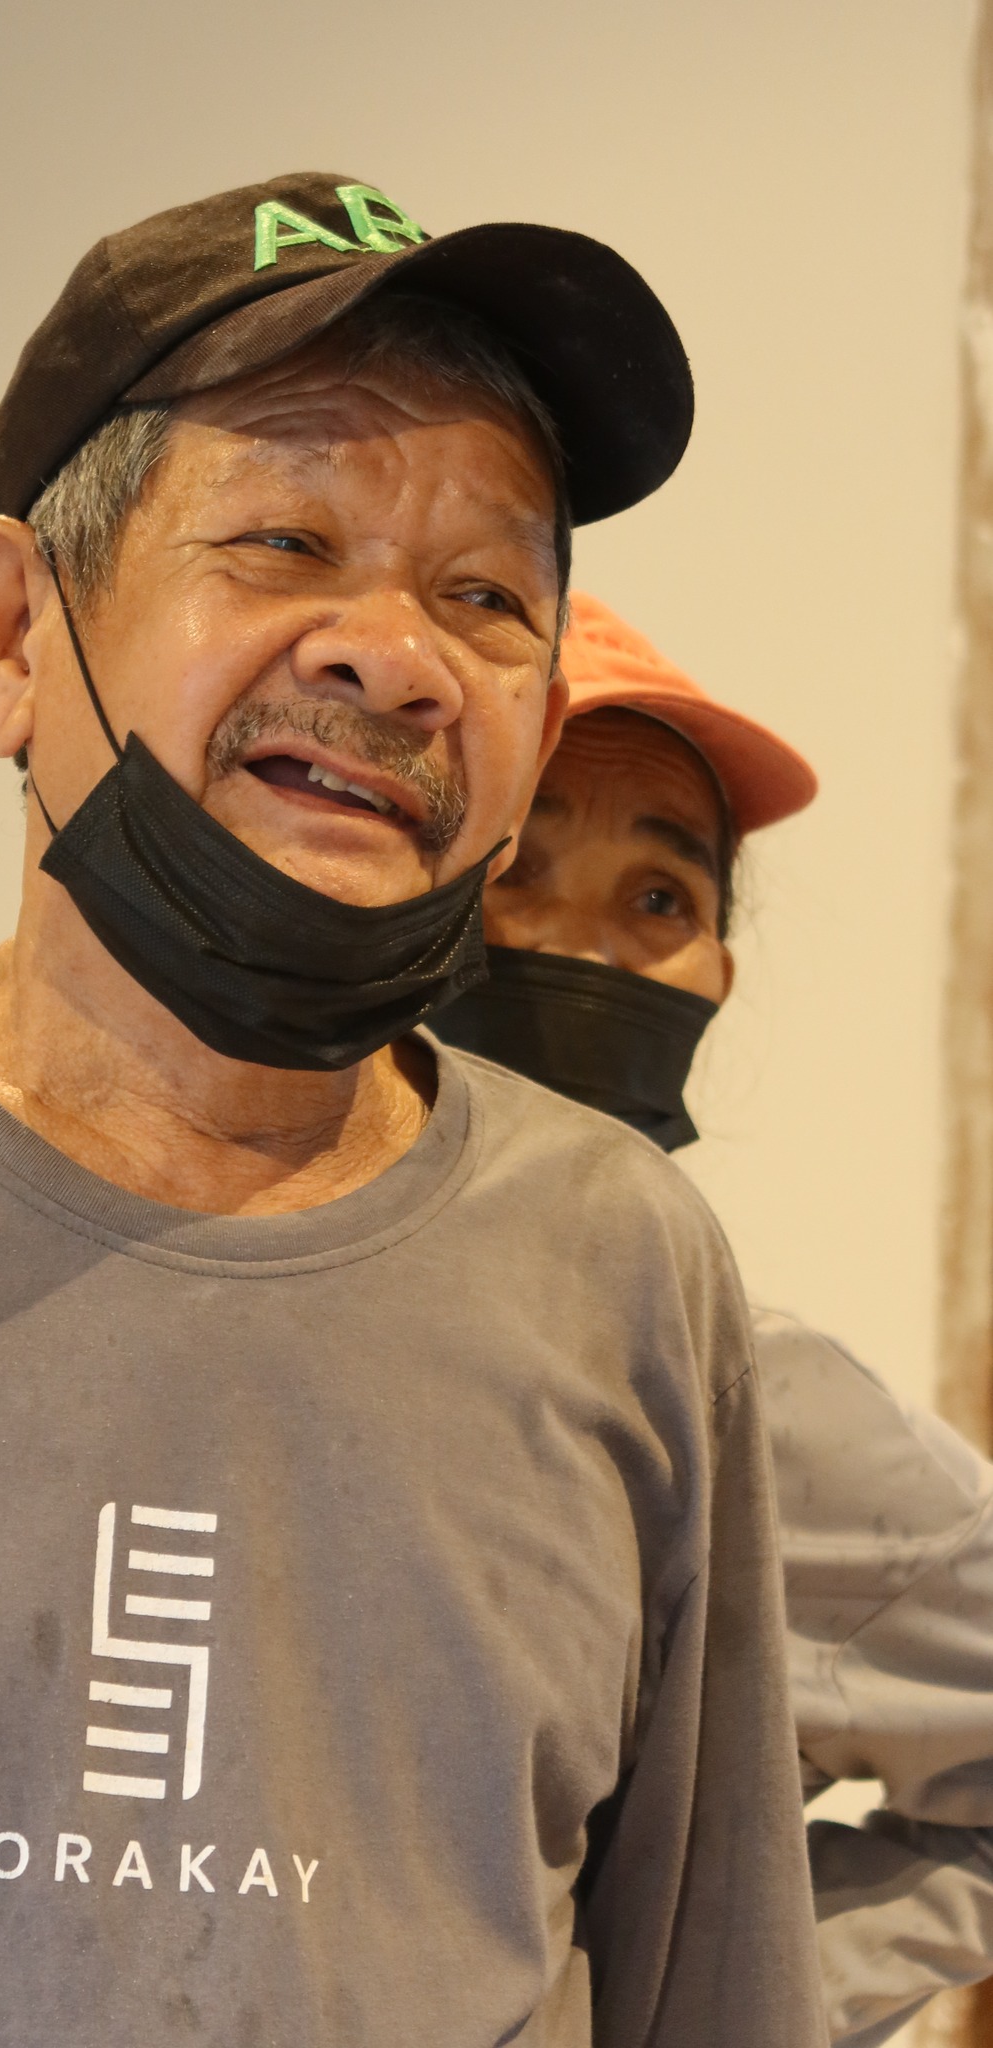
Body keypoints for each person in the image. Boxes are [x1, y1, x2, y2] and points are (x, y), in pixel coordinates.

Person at [0, 176, 825, 2046]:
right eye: (283, 540)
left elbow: (714, 1984)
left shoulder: (621, 1267)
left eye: (484, 597)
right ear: (12, 635)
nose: (392, 658)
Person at [433, 588, 993, 2048]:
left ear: (712, 983)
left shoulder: (758, 1408)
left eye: (658, 901)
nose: (581, 949)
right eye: (514, 867)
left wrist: (725, 1998)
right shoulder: (205, 1304)